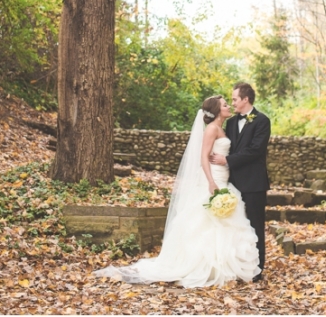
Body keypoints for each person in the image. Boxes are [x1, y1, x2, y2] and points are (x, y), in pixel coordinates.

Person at [94, 96, 261, 287]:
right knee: (206, 222)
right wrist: (211, 182)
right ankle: (205, 266)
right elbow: (203, 158)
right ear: (216, 110)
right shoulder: (212, 129)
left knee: (224, 222)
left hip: (224, 176)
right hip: (214, 178)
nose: (229, 106)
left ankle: (224, 268)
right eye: (225, 104)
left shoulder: (222, 127)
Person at [210, 82, 271, 281]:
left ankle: (257, 269)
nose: (233, 102)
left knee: (255, 226)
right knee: (238, 227)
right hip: (233, 183)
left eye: (235, 99)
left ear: (245, 99)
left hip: (254, 183)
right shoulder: (231, 122)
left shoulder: (262, 121)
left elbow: (255, 150)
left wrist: (227, 160)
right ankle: (240, 267)